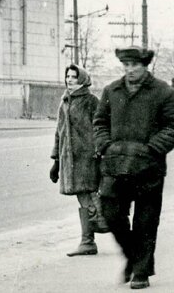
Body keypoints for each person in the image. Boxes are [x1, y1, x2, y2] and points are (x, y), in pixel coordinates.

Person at [94, 46, 174, 289]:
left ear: (145, 66)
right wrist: (106, 146)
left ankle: (140, 271)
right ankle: (133, 256)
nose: (129, 70)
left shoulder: (163, 92)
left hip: (148, 168)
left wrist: (150, 150)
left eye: (134, 65)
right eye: (126, 65)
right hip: (116, 165)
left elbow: (172, 127)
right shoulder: (111, 90)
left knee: (146, 222)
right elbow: (99, 123)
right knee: (111, 214)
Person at [50, 63, 108, 256]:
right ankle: (88, 241)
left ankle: (90, 240)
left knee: (90, 195)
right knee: (83, 196)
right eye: (67, 76)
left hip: (88, 158)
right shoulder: (64, 101)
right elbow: (59, 132)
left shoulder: (91, 101)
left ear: (82, 79)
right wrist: (56, 161)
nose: (69, 80)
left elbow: (102, 127)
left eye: (73, 77)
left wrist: (99, 152)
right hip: (69, 159)